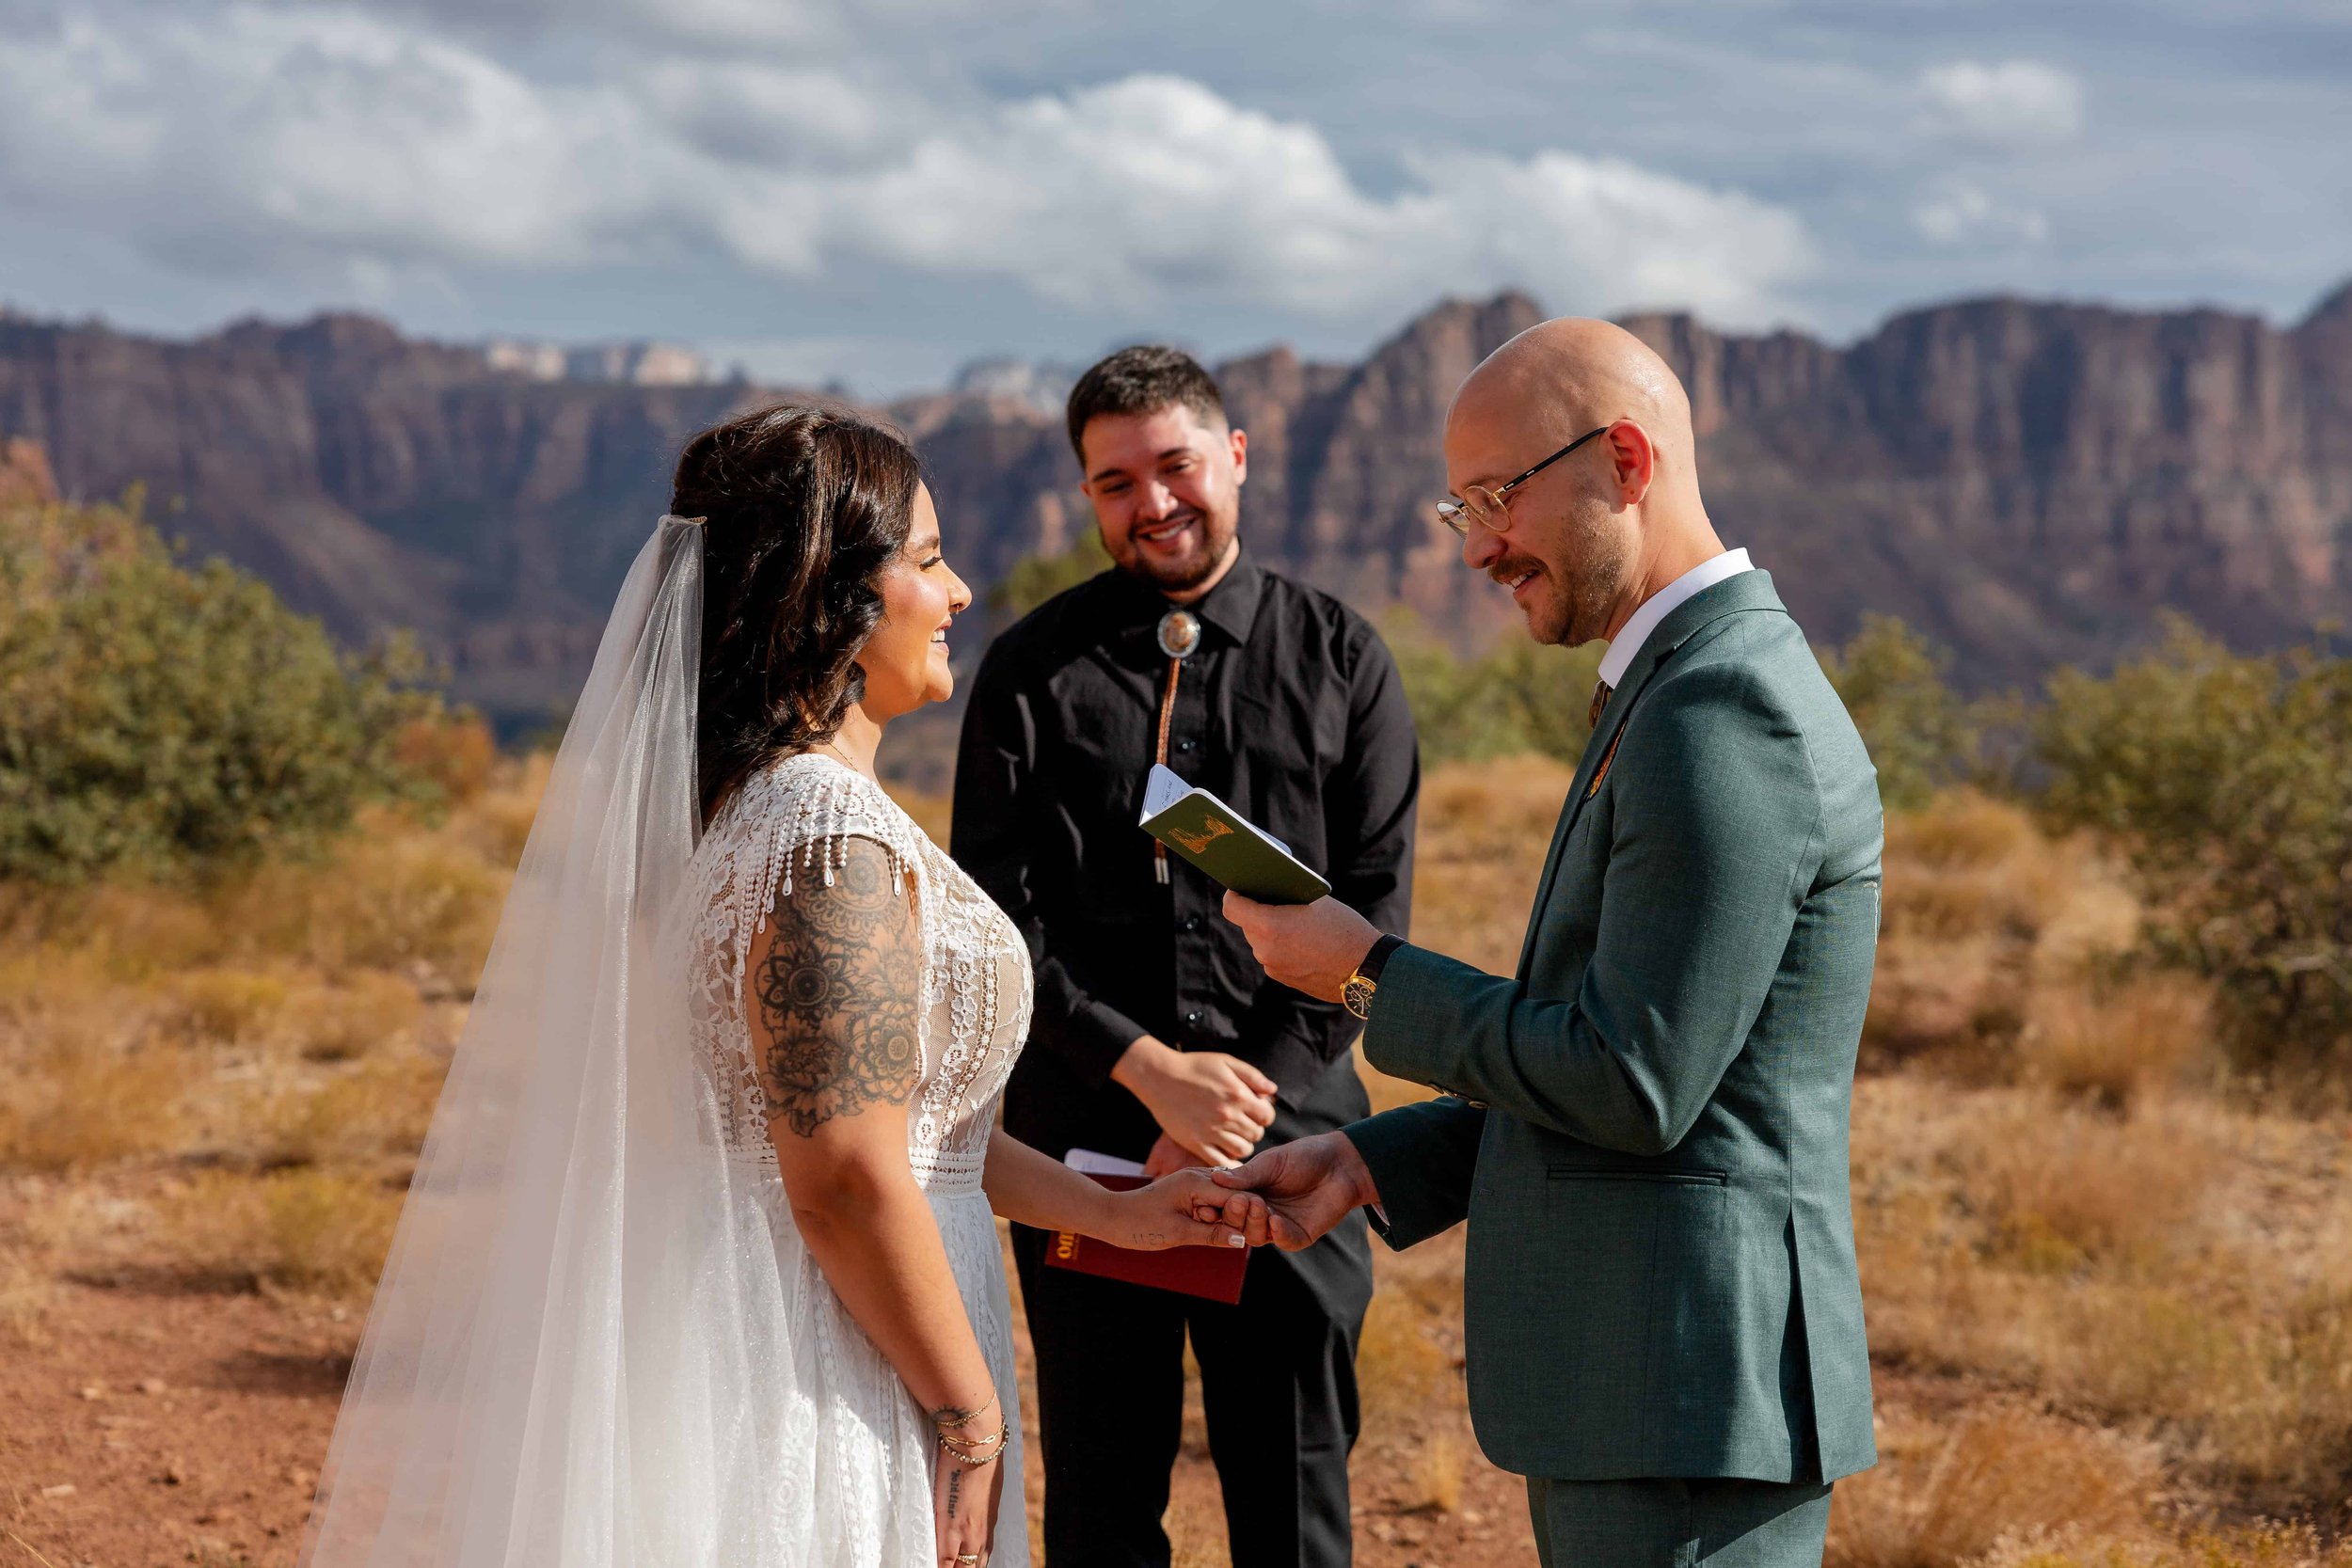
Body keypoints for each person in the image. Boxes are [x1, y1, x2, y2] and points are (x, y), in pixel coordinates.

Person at [302, 405, 1254, 1568]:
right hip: (823, 1367)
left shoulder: (764, 818)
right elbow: (845, 1176)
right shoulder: (822, 843)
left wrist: (1108, 1214)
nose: (958, 594)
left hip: (855, 1328)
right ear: (838, 606)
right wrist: (969, 1412)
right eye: (927, 560)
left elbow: (892, 1126)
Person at [1213, 320, 1883, 1568]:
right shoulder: (1674, 685)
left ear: (1626, 460)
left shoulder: (1720, 710)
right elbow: (1623, 1052)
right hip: (1651, 1397)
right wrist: (1368, 1164)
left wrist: (1365, 970)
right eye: (1457, 506)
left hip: (1681, 1404)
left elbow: (1632, 1081)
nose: (1476, 546)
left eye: (1496, 498)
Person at [951, 346, 1419, 1568]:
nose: (1152, 503)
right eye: (1115, 481)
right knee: (1102, 1501)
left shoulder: (1344, 660)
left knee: (1297, 1498)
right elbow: (997, 923)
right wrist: (1148, 1070)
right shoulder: (1028, 674)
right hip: (1087, 1153)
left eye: (1175, 465)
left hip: (1294, 1156)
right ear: (1086, 494)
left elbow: (1373, 916)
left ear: (1238, 459)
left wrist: (1233, 1101)